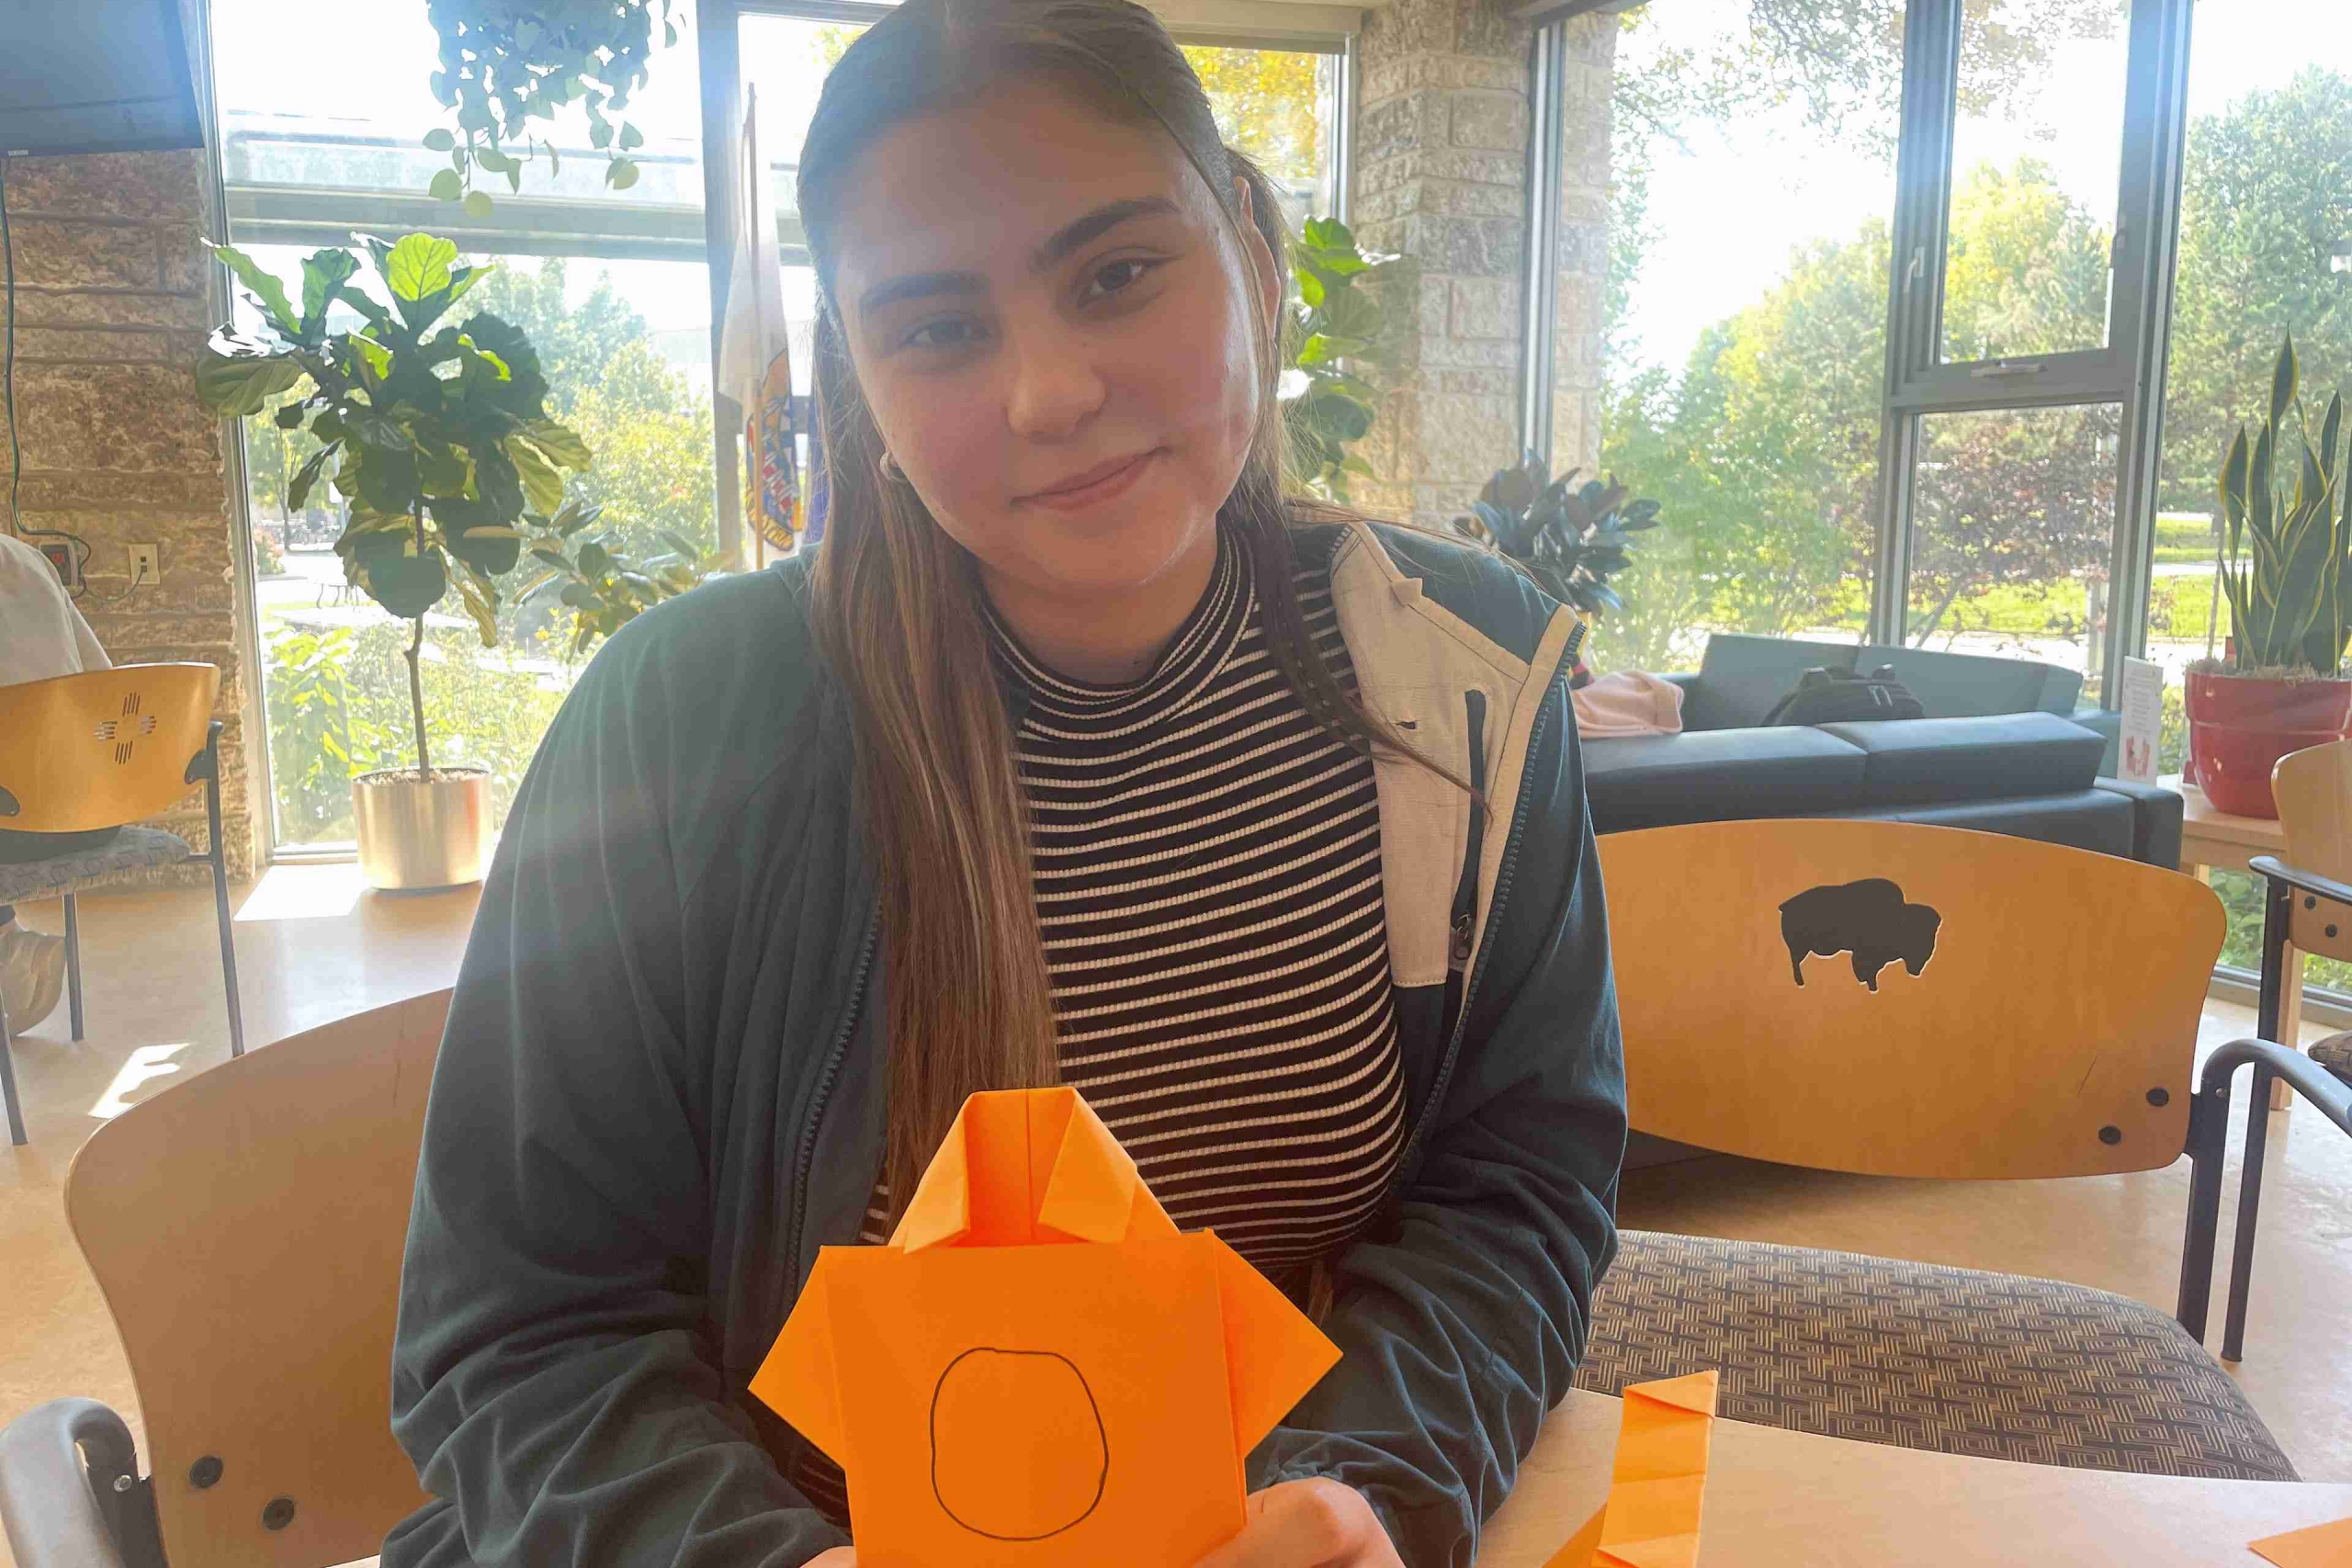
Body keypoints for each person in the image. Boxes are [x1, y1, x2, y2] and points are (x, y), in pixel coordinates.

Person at [383, 2, 1625, 1563]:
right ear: (863, 372)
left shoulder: (1463, 679)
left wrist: (1362, 1487)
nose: (1049, 391)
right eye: (939, 328)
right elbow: (515, 1336)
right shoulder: (677, 722)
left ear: (1251, 250)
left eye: (1117, 272)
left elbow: (1518, 1189)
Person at [0, 529, 110, 1030]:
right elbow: (104, 683)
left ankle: (7, 951)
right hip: (88, 812)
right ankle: (8, 948)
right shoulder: (27, 560)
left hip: (17, 827)